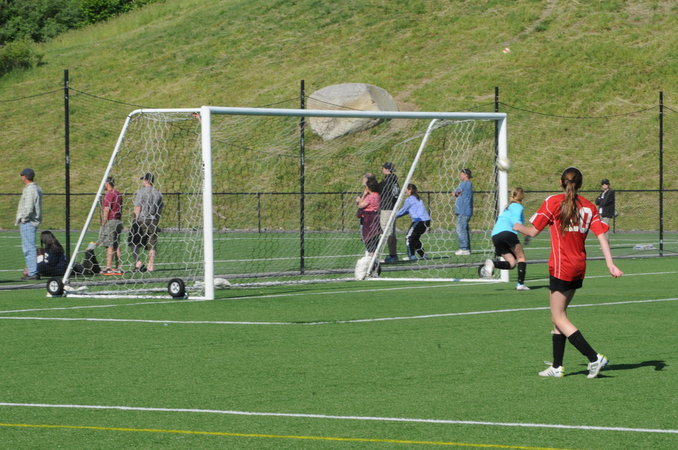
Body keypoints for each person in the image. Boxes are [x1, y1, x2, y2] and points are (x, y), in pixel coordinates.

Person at [513, 167, 623, 378]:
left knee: (558, 316)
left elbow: (533, 231)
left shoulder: (553, 202)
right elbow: (601, 236)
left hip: (561, 266)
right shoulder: (589, 206)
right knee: (559, 316)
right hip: (578, 266)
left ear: (560, 182)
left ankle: (594, 358)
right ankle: (557, 367)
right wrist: (611, 264)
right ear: (580, 184)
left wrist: (517, 226)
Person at [480, 187, 530, 290]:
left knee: (512, 263)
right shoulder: (518, 207)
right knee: (521, 257)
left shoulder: (508, 207)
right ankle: (520, 284)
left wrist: (524, 233)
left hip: (495, 235)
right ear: (522, 196)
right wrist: (526, 233)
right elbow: (515, 221)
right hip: (507, 233)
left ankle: (492, 263)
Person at [132, 172, 164, 272]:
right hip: (153, 220)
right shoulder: (158, 193)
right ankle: (151, 265)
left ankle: (138, 262)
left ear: (146, 180)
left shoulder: (141, 192)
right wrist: (156, 221)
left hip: (142, 220)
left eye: (143, 179)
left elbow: (138, 207)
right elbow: (159, 210)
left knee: (134, 242)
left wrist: (136, 219)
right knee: (152, 244)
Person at [16, 168, 43, 281]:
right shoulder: (36, 188)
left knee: (28, 248)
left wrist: (23, 219)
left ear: (24, 177)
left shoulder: (30, 189)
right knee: (29, 247)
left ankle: (33, 272)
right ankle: (31, 271)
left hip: (28, 222)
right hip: (31, 221)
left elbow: (28, 207)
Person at [395, 184, 431, 260]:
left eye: (406, 189)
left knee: (409, 237)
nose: (405, 191)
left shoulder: (409, 199)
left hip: (419, 221)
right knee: (415, 239)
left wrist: (393, 216)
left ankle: (411, 256)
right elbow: (407, 210)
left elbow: (403, 210)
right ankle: (423, 255)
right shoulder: (418, 198)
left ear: (410, 190)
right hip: (426, 221)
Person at [100, 176, 124, 275]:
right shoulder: (118, 193)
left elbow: (107, 208)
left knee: (109, 244)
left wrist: (104, 221)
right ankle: (118, 267)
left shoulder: (109, 194)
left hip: (111, 221)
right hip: (118, 221)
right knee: (116, 244)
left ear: (107, 184)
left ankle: (108, 267)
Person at [378, 162, 400, 263]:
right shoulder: (395, 181)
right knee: (391, 233)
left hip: (386, 209)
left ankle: (376, 255)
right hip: (393, 209)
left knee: (385, 232)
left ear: (387, 169)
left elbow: (379, 189)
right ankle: (393, 254)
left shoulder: (387, 181)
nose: (382, 169)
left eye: (383, 168)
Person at [356, 176, 381, 256]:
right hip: (376, 216)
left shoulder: (370, 196)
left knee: (367, 235)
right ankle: (374, 253)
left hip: (368, 217)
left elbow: (361, 205)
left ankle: (371, 253)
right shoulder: (377, 195)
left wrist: (362, 197)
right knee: (375, 235)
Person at [453, 168, 473, 256]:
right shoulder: (468, 184)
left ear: (466, 175)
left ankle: (464, 248)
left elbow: (455, 193)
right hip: (464, 210)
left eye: (461, 174)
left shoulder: (465, 183)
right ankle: (467, 248)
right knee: (464, 229)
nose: (460, 175)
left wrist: (455, 193)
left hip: (463, 211)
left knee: (460, 229)